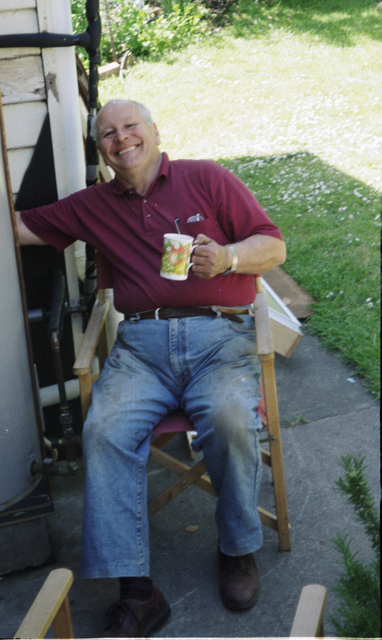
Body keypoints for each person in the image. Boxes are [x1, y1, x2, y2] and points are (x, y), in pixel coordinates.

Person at [17, 99, 286, 637]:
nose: (122, 139)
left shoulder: (205, 178)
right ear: (102, 149)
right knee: (104, 429)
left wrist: (230, 257)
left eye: (130, 126)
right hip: (141, 346)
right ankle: (138, 593)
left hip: (219, 337)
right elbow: (18, 227)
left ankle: (236, 551)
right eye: (108, 134)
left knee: (231, 417)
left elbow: (273, 247)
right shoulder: (93, 204)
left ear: (155, 131)